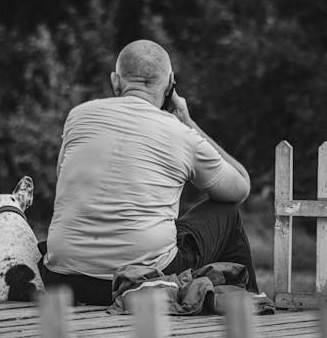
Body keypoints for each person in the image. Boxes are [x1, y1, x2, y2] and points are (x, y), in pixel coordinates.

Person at [38, 39, 259, 305]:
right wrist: (188, 122)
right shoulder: (180, 133)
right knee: (227, 214)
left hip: (63, 280)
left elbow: (62, 178)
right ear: (170, 85)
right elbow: (240, 188)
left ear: (115, 81)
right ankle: (250, 306)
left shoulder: (77, 116)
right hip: (141, 282)